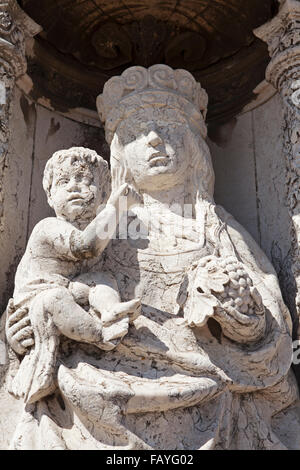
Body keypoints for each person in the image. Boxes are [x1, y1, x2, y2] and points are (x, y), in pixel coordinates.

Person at [4, 65, 300, 450]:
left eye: (168, 128)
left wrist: (242, 317)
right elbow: (47, 286)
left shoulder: (215, 226)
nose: (155, 140)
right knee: (76, 383)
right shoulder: (101, 223)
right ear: (120, 152)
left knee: (219, 390)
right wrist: (20, 334)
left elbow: (271, 322)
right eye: (138, 132)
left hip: (204, 367)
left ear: (193, 144)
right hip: (104, 364)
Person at [7, 146, 141, 405]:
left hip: (71, 293)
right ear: (49, 195)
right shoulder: (48, 227)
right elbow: (86, 246)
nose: (74, 187)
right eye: (64, 181)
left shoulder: (114, 234)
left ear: (102, 193)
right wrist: (116, 207)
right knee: (56, 298)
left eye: (84, 180)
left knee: (101, 279)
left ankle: (111, 311)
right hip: (38, 301)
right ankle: (100, 334)